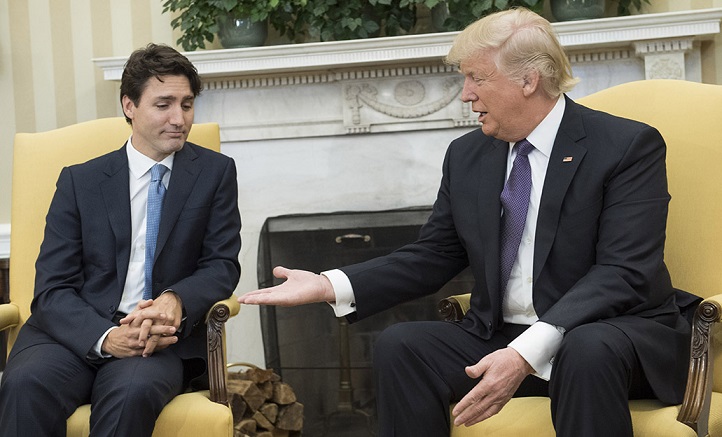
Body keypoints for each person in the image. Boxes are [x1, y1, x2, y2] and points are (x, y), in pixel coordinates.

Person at [239, 8, 693, 437]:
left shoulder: (627, 146)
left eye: (477, 78)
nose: (466, 94)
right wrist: (327, 284)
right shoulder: (468, 154)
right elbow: (434, 254)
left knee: (586, 348)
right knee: (403, 346)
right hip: (500, 333)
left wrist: (525, 352)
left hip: (609, 336)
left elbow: (623, 273)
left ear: (528, 80)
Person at [0, 43, 241, 436]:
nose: (179, 118)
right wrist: (106, 337)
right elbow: (52, 288)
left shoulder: (214, 173)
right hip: (70, 335)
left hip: (158, 341)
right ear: (129, 105)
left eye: (187, 104)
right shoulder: (80, 181)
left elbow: (221, 265)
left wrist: (175, 300)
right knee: (26, 384)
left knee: (131, 392)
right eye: (163, 104)